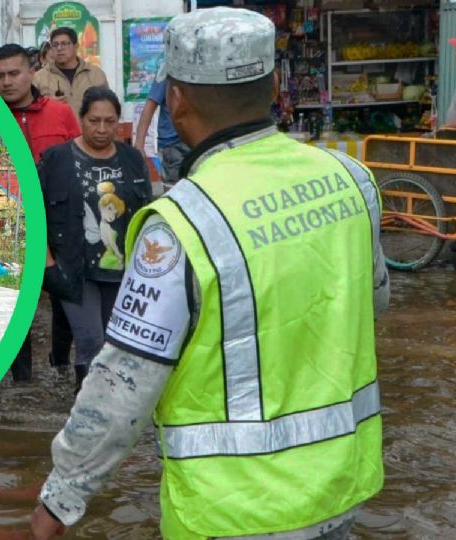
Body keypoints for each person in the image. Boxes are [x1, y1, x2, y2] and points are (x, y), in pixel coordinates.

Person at [31, 8, 391, 539]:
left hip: (232, 507)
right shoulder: (351, 179)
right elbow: (372, 301)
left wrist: (60, 498)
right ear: (272, 85)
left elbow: (125, 381)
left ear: (175, 100)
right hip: (342, 485)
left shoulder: (181, 224)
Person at [39, 86, 151, 392]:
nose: (102, 129)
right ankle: (88, 409)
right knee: (90, 339)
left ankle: (94, 396)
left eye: (109, 121)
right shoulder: (56, 160)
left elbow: (147, 214)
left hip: (121, 269)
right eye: (94, 120)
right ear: (82, 119)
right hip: (74, 267)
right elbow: (35, 218)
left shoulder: (131, 160)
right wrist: (49, 267)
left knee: (114, 343)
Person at [0, 43, 81, 379]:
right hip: (14, 225)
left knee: (65, 297)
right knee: (17, 305)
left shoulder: (61, 114)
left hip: (60, 221)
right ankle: (22, 380)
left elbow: (79, 161)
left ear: (32, 72)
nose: (6, 82)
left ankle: (60, 362)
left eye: (14, 73)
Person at [34, 27, 109, 118]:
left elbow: (108, 108)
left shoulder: (96, 74)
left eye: (64, 44)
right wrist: (46, 105)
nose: (59, 48)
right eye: (55, 44)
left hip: (87, 131)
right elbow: (30, 111)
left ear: (76, 46)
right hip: (55, 130)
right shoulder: (38, 78)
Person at [133, 73, 190, 189]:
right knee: (174, 194)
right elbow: (150, 106)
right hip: (171, 145)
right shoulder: (166, 69)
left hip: (197, 142)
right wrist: (139, 144)